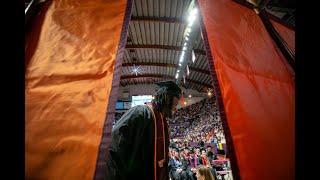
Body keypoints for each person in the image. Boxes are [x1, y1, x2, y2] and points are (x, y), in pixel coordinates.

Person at [105, 81, 182, 180]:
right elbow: (115, 143)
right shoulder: (140, 112)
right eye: (177, 99)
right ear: (167, 98)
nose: (177, 105)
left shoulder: (163, 122)